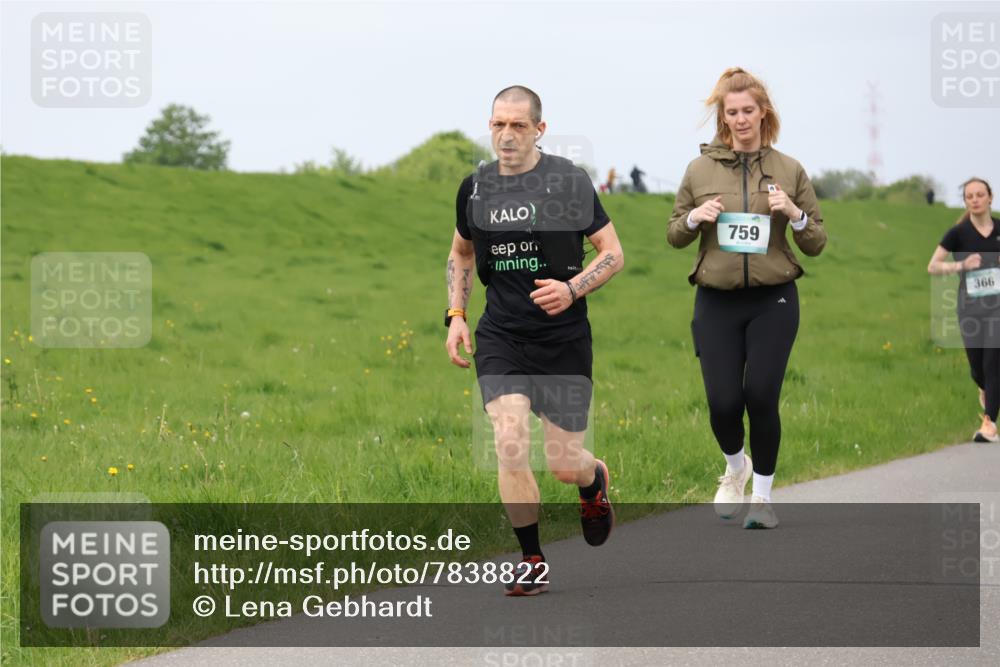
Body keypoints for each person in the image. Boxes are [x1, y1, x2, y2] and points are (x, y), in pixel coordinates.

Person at [444, 85, 625, 595]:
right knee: (508, 439)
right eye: (498, 124)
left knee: (566, 465)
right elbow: (461, 253)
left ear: (539, 130)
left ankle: (593, 481)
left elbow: (612, 253)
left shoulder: (568, 182)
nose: (506, 135)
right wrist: (456, 314)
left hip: (563, 338)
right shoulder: (475, 189)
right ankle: (531, 559)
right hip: (502, 334)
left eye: (518, 126)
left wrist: (572, 289)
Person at [667, 67, 827, 529]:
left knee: (760, 394)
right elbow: (674, 235)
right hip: (716, 300)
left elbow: (816, 241)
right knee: (722, 402)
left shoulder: (789, 169)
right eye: (731, 112)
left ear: (763, 114)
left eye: (748, 111)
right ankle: (736, 468)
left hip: (773, 299)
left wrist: (795, 215)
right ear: (723, 117)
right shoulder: (699, 169)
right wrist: (695, 217)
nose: (740, 120)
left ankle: (763, 499)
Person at [927, 177, 1000, 443]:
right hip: (970, 308)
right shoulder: (957, 233)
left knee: (994, 362)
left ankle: (989, 423)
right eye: (970, 196)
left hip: (997, 309)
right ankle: (985, 389)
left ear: (990, 198)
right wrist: (962, 265)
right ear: (966, 201)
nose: (975, 200)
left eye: (980, 195)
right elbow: (933, 266)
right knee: (977, 369)